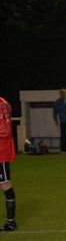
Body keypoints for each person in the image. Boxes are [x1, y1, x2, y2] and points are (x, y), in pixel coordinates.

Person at [0, 97, 17, 232]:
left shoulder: (2, 104)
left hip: (1, 151)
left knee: (5, 184)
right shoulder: (4, 103)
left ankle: (11, 222)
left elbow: (5, 131)